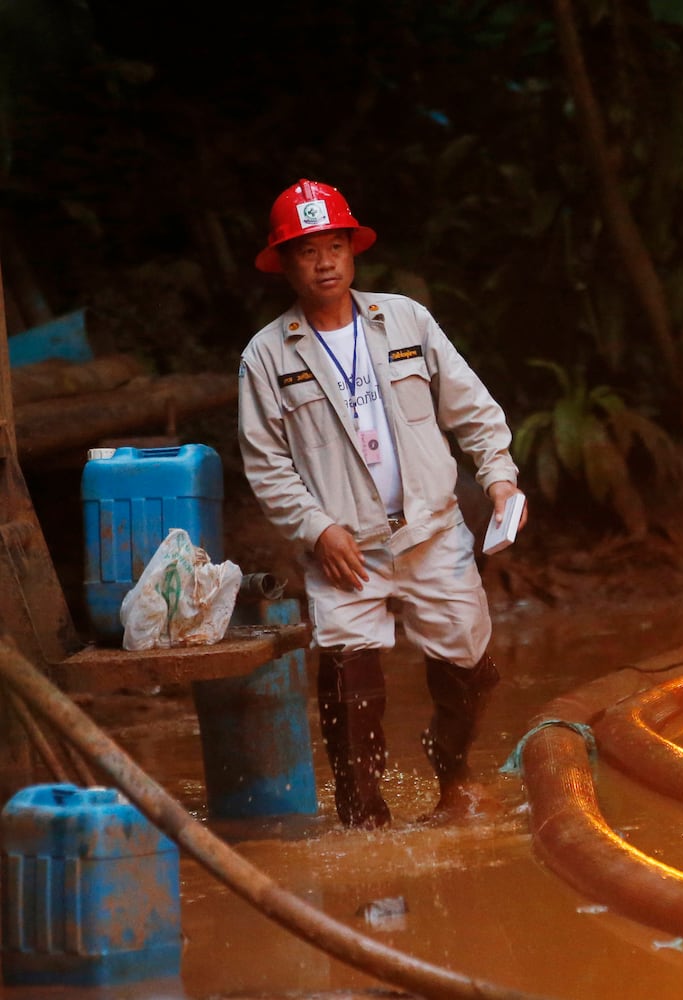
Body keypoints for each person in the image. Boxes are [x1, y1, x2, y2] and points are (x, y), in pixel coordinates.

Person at [237, 178, 526, 828]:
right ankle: (363, 821)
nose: (324, 261)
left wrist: (500, 477)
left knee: (473, 668)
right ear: (284, 263)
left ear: (353, 251)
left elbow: (471, 408)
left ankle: (452, 777)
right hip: (345, 550)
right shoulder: (265, 356)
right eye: (307, 250)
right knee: (349, 683)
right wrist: (315, 529)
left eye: (335, 245)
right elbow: (266, 461)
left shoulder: (405, 320)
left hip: (433, 531)